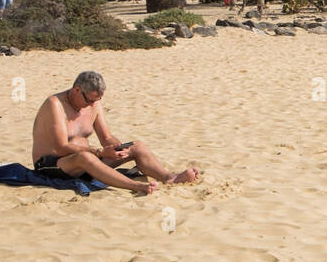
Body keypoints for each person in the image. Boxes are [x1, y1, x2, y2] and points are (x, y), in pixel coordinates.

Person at [30, 71, 201, 194]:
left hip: (87, 161)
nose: (92, 105)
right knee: (86, 157)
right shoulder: (55, 104)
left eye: (96, 101)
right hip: (52, 164)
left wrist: (117, 147)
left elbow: (106, 137)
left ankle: (169, 177)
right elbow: (61, 147)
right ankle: (135, 186)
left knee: (136, 146)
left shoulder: (94, 104)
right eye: (89, 100)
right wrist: (99, 152)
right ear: (76, 90)